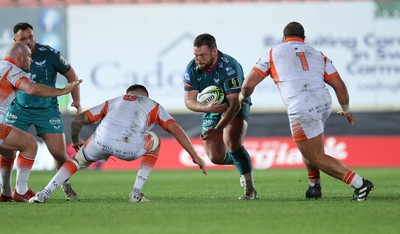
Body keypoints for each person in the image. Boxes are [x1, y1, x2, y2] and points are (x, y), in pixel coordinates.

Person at [239, 22, 374, 201]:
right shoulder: (318, 55)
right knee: (311, 148)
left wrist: (242, 96)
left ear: (283, 38)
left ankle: (360, 183)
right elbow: (339, 85)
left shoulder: (273, 53)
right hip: (323, 103)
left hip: (301, 106)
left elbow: (248, 84)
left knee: (315, 155)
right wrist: (346, 109)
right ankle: (314, 187)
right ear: (304, 39)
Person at [29, 84, 207, 203]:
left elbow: (78, 120)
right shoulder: (152, 104)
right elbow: (176, 130)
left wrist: (76, 140)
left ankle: (44, 193)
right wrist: (195, 155)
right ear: (145, 96)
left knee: (76, 162)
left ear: (128, 94)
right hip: (130, 148)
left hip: (101, 142)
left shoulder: (115, 101)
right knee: (155, 140)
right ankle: (135, 193)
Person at [2, 22, 81, 200]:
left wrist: (76, 100)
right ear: (15, 42)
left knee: (60, 154)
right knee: (15, 148)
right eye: (24, 39)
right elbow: (32, 88)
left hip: (47, 110)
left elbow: (70, 74)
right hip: (19, 108)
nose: (29, 41)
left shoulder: (50, 54)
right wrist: (63, 91)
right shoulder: (13, 63)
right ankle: (11, 191)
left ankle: (64, 183)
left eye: (31, 37)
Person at [183, 33, 257, 200]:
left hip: (235, 105)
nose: (198, 59)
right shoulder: (192, 68)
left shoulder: (229, 66)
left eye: (203, 55)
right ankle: (241, 160)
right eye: (196, 55)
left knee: (232, 142)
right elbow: (189, 101)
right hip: (213, 107)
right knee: (215, 157)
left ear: (214, 51)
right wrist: (206, 107)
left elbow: (234, 104)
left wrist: (217, 130)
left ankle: (250, 190)